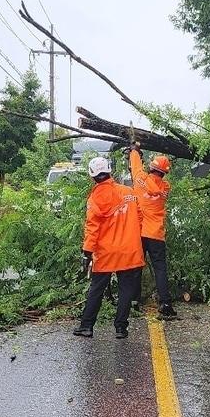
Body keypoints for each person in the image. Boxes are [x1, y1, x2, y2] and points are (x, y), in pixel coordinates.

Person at [74, 155, 145, 339]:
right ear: (109, 170)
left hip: (106, 252)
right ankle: (121, 328)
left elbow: (92, 228)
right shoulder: (129, 192)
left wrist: (87, 252)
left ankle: (87, 326)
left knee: (97, 288)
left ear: (92, 176)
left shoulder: (95, 198)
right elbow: (139, 218)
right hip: (130, 249)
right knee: (126, 290)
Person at [129, 144, 179, 320]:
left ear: (151, 167)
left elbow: (135, 167)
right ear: (164, 172)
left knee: (136, 266)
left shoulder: (141, 178)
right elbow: (153, 183)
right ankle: (165, 304)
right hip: (156, 233)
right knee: (160, 269)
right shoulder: (165, 188)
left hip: (139, 232)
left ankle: (133, 301)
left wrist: (134, 150)